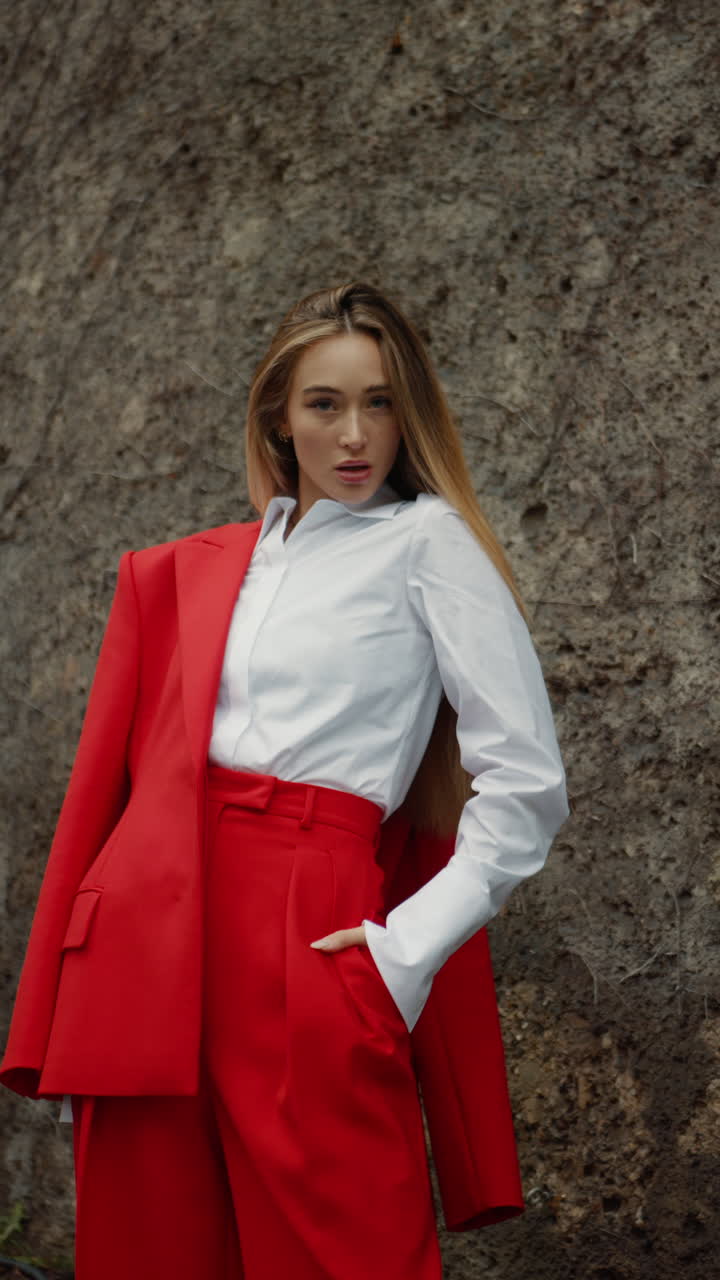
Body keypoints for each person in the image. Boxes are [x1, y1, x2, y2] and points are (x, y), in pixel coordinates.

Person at [0, 281, 569, 1279]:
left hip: (309, 919)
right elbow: (117, 790)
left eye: (380, 402)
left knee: (343, 1249)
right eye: (324, 403)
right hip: (150, 931)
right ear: (278, 415)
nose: (354, 434)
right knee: (151, 1249)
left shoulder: (426, 542)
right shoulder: (203, 567)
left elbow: (527, 782)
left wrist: (404, 951)